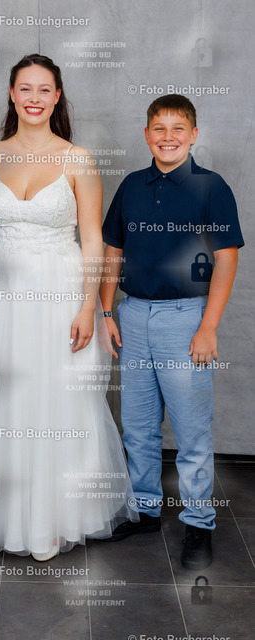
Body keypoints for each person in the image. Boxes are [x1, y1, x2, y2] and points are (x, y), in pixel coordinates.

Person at [0, 53, 138, 561]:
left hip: (62, 296)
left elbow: (93, 241)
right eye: (26, 88)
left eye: (45, 89)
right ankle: (8, 518)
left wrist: (89, 308)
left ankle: (58, 518)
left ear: (57, 96)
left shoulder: (78, 160)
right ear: (12, 94)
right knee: (7, 403)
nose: (34, 98)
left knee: (59, 403)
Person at [100, 94, 244, 569]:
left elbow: (226, 258)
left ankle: (199, 521)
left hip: (186, 318)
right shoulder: (132, 185)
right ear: (146, 135)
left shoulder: (210, 187)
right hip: (133, 314)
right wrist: (106, 311)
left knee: (190, 428)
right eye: (158, 128)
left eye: (177, 128)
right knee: (138, 425)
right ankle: (145, 508)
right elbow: (113, 250)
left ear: (193, 134)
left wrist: (208, 326)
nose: (167, 137)